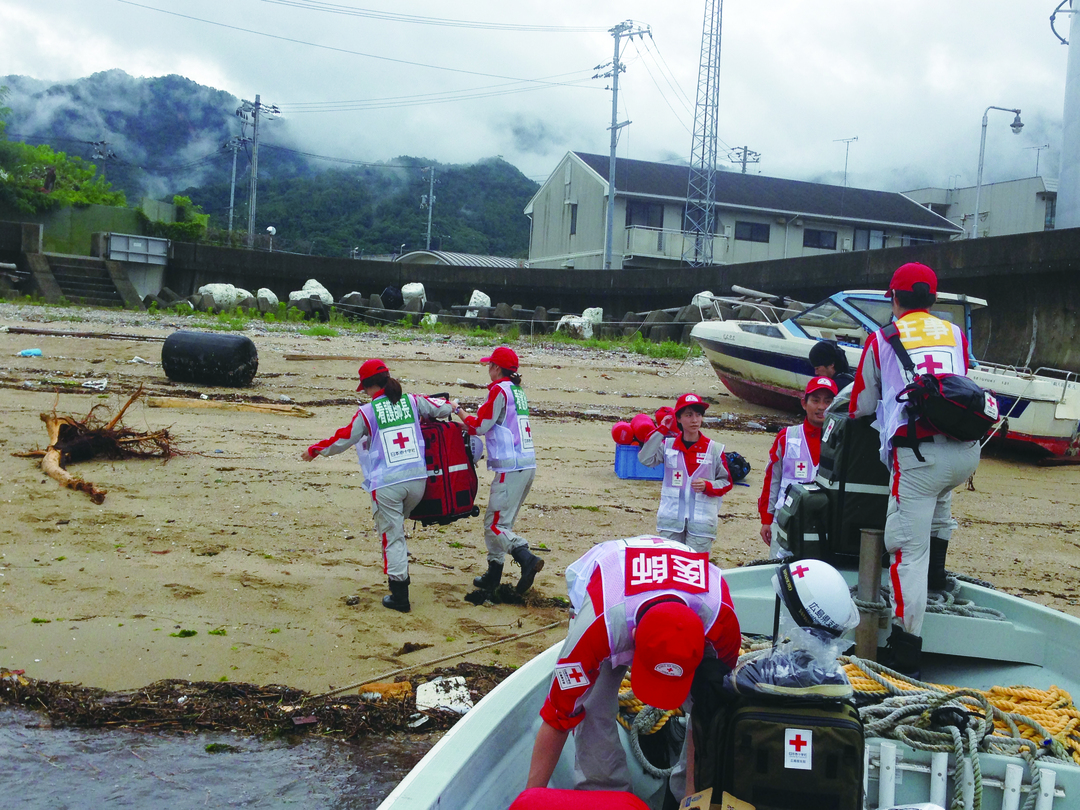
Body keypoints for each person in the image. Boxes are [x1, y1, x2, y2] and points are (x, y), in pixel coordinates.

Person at [525, 536, 741, 798]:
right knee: (593, 704)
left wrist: (693, 796)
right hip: (611, 591)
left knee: (705, 702)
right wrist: (529, 799)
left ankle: (686, 795)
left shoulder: (721, 621)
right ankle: (605, 793)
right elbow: (558, 716)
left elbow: (709, 710)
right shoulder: (596, 627)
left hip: (683, 591)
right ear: (633, 638)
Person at [849, 262, 981, 674]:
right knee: (940, 500)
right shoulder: (955, 333)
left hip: (919, 456)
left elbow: (861, 406)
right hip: (967, 451)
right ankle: (938, 578)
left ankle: (906, 650)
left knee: (908, 553)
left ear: (894, 298)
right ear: (933, 299)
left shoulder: (882, 338)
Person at [302, 358, 457, 613]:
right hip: (418, 482)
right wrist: (454, 406)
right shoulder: (412, 401)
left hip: (387, 484)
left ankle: (399, 595)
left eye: (364, 388)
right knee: (396, 531)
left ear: (368, 386)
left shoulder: (368, 412)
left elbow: (343, 439)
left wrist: (316, 450)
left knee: (392, 537)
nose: (364, 393)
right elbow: (442, 407)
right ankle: (399, 581)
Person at [456, 346, 544, 595]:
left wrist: (457, 410)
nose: (488, 369)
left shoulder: (499, 390)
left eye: (489, 365)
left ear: (496, 367)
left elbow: (480, 426)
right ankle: (493, 574)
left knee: (494, 526)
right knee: (500, 523)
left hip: (510, 467)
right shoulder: (517, 391)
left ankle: (525, 556)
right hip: (526, 464)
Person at [638, 393, 733, 554]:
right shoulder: (668, 446)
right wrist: (661, 430)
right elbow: (645, 459)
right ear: (678, 419)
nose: (695, 420)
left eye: (698, 415)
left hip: (701, 524)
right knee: (670, 564)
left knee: (695, 567)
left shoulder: (714, 449)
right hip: (671, 522)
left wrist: (708, 486)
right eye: (688, 415)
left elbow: (726, 482)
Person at [758, 376, 839, 558]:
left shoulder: (841, 441)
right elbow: (772, 479)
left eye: (828, 401)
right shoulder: (786, 437)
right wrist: (766, 519)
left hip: (823, 525)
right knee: (778, 570)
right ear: (804, 403)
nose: (822, 407)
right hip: (786, 520)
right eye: (815, 400)